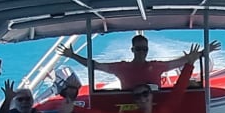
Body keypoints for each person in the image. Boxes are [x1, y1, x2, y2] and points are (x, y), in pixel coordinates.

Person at [62, 32, 216, 92]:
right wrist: (73, 55)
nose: (142, 52)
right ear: (132, 50)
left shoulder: (156, 66)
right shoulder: (122, 68)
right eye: (139, 49)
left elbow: (182, 61)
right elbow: (94, 66)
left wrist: (203, 52)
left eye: (144, 49)